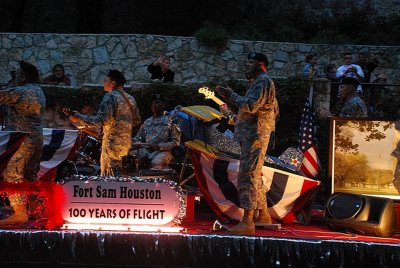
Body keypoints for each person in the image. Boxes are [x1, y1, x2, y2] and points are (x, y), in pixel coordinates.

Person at [215, 52, 277, 235]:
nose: (248, 65)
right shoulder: (258, 83)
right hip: (252, 135)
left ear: (262, 64)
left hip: (255, 136)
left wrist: (231, 95)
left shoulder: (263, 81)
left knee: (246, 175)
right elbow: (246, 112)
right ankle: (263, 215)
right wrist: (228, 100)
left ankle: (247, 221)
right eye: (247, 61)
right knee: (254, 174)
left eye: (252, 62)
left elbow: (251, 106)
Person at [70, 70, 141, 176]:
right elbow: (136, 120)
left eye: (105, 80)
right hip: (125, 145)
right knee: (120, 178)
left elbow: (100, 120)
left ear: (113, 83)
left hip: (111, 145)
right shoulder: (131, 99)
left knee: (109, 179)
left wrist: (80, 118)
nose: (103, 82)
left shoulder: (110, 96)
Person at [0, 61, 46, 225]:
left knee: (12, 173)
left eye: (18, 75)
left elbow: (2, 95)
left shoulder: (22, 91)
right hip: (36, 138)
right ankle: (35, 211)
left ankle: (19, 213)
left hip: (22, 140)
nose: (16, 77)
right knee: (30, 175)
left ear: (24, 77)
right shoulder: (38, 90)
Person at [132, 93, 181, 169]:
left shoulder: (171, 121)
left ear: (163, 105)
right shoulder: (147, 122)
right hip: (146, 150)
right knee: (129, 157)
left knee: (156, 163)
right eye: (152, 103)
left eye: (157, 102)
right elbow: (138, 138)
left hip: (163, 152)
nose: (154, 105)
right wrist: (128, 141)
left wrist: (159, 146)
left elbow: (176, 142)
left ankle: (157, 180)